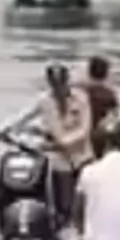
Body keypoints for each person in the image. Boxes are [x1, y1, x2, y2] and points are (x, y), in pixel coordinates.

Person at [38, 63, 93, 223]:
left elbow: (85, 129)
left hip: (82, 157)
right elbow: (28, 115)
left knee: (86, 203)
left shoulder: (81, 98)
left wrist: (63, 143)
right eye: (54, 84)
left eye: (61, 83)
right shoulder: (45, 101)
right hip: (60, 162)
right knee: (63, 207)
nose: (58, 89)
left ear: (67, 80)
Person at [83, 56, 119, 129]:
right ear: (106, 74)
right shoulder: (110, 94)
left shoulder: (81, 92)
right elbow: (114, 116)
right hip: (99, 131)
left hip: (80, 129)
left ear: (89, 72)